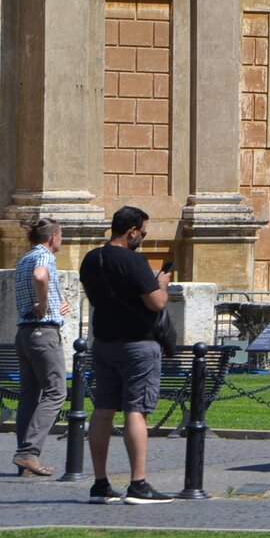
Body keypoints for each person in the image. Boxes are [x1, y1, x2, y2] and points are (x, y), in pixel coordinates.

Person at [78, 206, 173, 504]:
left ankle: (100, 483)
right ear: (131, 230)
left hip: (103, 341)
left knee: (103, 411)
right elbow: (156, 303)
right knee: (136, 410)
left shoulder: (91, 259)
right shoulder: (134, 261)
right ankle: (138, 483)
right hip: (137, 345)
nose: (142, 239)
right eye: (142, 233)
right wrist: (162, 284)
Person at [10, 218, 69, 477]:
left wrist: (57, 302)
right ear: (52, 237)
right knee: (56, 392)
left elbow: (36, 278)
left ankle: (25, 459)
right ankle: (29, 453)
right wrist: (45, 304)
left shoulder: (24, 258)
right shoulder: (45, 257)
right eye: (61, 235)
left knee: (29, 395)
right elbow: (40, 275)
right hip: (43, 332)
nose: (62, 240)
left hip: (24, 333)